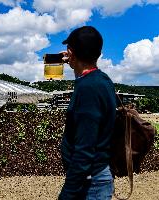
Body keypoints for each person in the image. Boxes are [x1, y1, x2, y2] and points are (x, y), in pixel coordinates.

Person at [58, 26, 116, 200]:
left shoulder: (88, 88)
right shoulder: (101, 79)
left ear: (70, 52)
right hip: (96, 178)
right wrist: (74, 60)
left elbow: (84, 150)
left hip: (91, 183)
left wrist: (67, 194)